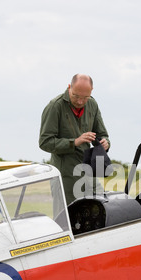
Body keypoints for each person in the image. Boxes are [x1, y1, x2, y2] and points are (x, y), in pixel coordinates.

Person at [39, 74, 110, 205]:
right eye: (76, 96)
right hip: (65, 176)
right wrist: (75, 142)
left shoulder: (93, 104)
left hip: (89, 172)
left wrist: (105, 142)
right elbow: (44, 142)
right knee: (69, 219)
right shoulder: (55, 106)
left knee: (103, 208)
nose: (80, 101)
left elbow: (102, 134)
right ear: (69, 87)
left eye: (85, 97)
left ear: (91, 91)